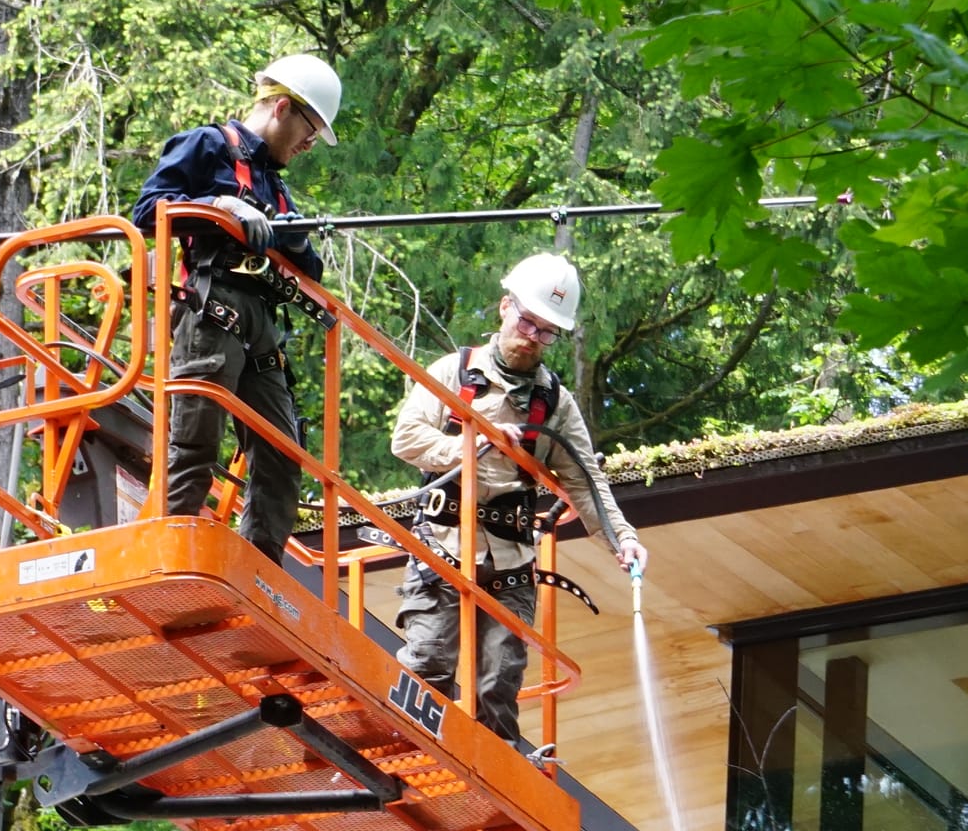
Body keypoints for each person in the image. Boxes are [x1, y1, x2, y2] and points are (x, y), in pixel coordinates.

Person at [390, 252, 646, 754]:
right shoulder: (455, 371)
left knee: (499, 684)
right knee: (429, 662)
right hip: (442, 545)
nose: (532, 336)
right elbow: (406, 439)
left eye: (547, 331)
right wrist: (473, 442)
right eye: (527, 320)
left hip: (511, 559)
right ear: (505, 308)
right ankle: (405, 756)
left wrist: (625, 540)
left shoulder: (555, 403)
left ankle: (498, 776)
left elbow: (584, 480)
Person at [129, 53, 342, 564]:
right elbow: (147, 210)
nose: (309, 145)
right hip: (212, 311)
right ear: (283, 107)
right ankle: (174, 554)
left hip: (261, 329)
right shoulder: (209, 146)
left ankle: (257, 569)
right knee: (196, 440)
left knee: (282, 454)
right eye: (309, 130)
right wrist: (220, 206)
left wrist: (295, 239)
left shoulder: (276, 184)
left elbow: (307, 272)